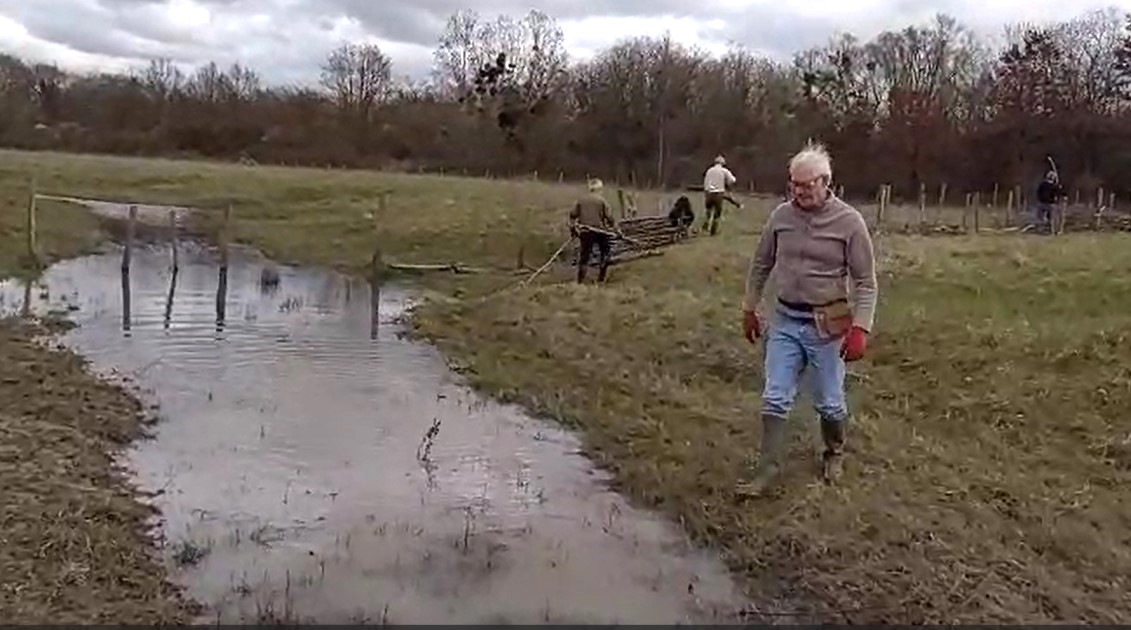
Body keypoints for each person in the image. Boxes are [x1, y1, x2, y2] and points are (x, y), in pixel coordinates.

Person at [738, 142, 878, 496]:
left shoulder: (849, 222)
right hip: (785, 320)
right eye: (794, 185)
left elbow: (865, 282)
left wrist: (860, 328)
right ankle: (766, 471)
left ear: (825, 182)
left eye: (806, 185)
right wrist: (749, 307)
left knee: (830, 401)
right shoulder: (781, 217)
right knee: (775, 397)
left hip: (827, 327)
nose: (799, 192)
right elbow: (760, 264)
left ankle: (835, 451)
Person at [569, 178, 615, 284]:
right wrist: (612, 227)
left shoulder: (581, 200)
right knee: (605, 252)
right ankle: (601, 278)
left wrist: (573, 228)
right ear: (599, 189)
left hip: (585, 231)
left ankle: (580, 280)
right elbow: (609, 216)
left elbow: (572, 215)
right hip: (599, 230)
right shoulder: (601, 200)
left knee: (584, 256)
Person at [703, 155, 737, 235]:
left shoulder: (709, 170)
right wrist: (727, 184)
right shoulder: (724, 171)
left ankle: (706, 223)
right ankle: (713, 230)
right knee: (717, 213)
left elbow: (705, 181)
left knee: (708, 210)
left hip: (708, 193)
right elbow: (733, 180)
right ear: (723, 163)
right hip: (718, 193)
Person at [1035, 170, 1063, 234]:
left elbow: (1038, 192)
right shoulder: (1053, 186)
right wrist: (1059, 187)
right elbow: (1059, 193)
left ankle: (1041, 229)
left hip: (1041, 203)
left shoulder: (1042, 184)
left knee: (1040, 218)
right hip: (1050, 204)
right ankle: (1051, 230)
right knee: (1052, 218)